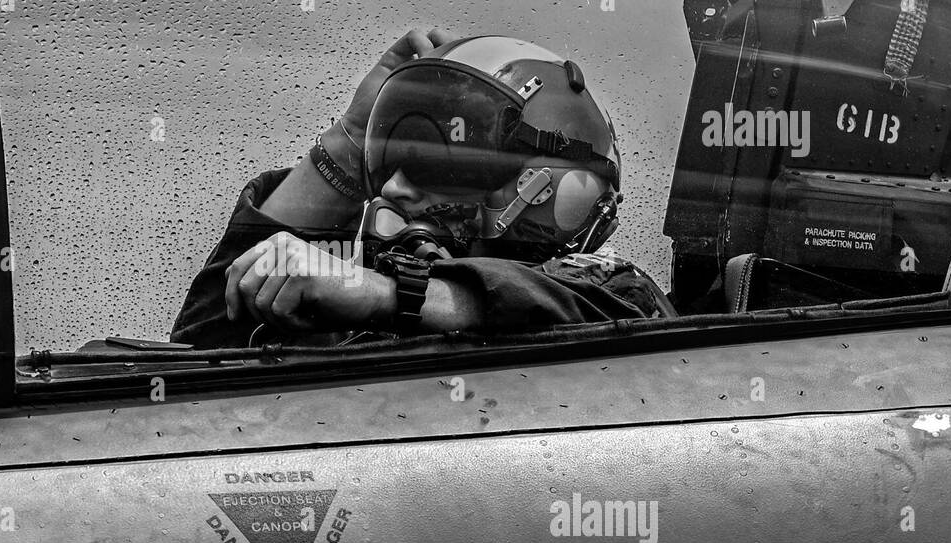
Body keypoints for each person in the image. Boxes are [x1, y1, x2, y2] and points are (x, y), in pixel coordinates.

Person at [170, 31, 674, 348]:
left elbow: (553, 306)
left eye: (436, 163)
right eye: (392, 159)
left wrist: (378, 295)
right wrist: (347, 141)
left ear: (549, 190)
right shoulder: (360, 295)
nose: (393, 187)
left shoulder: (616, 298)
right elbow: (202, 345)